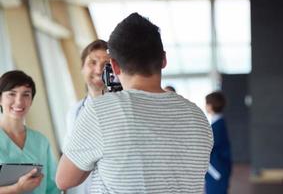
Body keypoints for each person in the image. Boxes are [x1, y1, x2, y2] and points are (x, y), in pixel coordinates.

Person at [56, 12, 213, 194]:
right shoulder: (198, 116)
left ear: (114, 66)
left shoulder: (102, 111)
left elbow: (64, 180)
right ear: (163, 59)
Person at [0, 70, 60, 194]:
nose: (19, 102)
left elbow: (52, 187)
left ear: (31, 100)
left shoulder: (41, 141)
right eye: (12, 94)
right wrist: (17, 189)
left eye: (26, 94)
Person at [64, 39, 110, 194]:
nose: (98, 70)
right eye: (92, 62)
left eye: (106, 65)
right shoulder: (74, 112)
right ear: (82, 68)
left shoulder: (123, 108)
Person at [205, 91, 232, 194]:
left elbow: (210, 148)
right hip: (220, 168)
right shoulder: (219, 123)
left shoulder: (216, 127)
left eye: (206, 103)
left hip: (217, 170)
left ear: (210, 106)